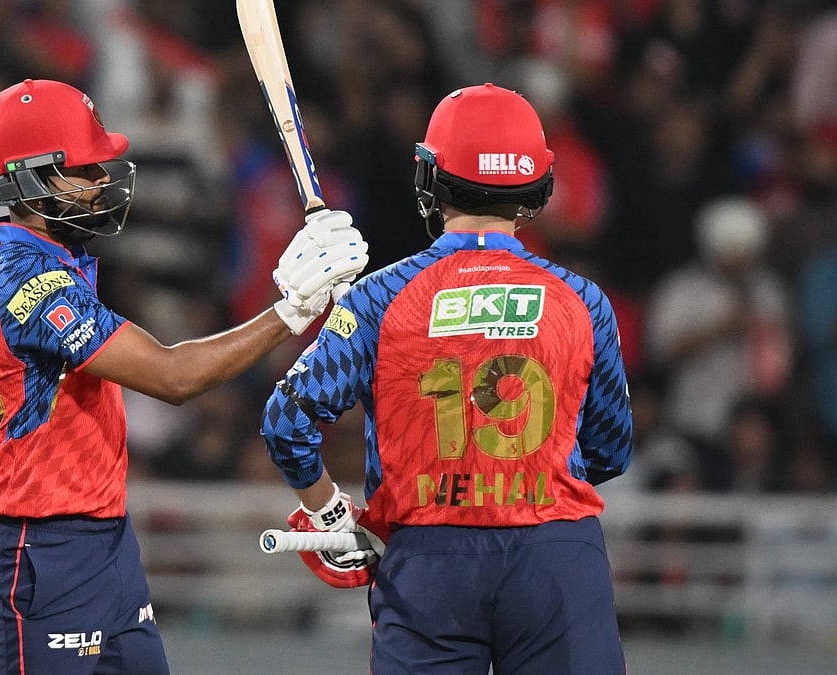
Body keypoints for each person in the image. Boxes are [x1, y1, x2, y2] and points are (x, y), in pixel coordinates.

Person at [0, 78, 367, 674]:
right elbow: (174, 378)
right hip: (34, 547)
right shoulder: (29, 279)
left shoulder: (50, 257)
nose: (102, 182)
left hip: (99, 541)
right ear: (29, 180)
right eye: (84, 170)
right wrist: (292, 310)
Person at [261, 83, 633, 674]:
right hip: (556, 559)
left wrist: (330, 515)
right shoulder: (585, 301)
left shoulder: (378, 297)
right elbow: (610, 451)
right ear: (537, 183)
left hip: (429, 565)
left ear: (429, 178)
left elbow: (286, 421)